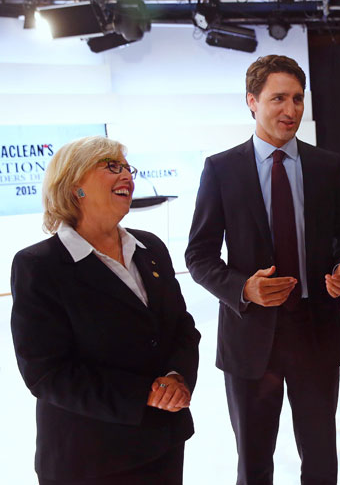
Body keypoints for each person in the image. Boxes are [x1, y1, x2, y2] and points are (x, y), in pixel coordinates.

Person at [185, 54, 340, 485]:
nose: (291, 110)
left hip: (315, 332)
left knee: (321, 458)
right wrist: (243, 288)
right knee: (254, 462)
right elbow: (199, 255)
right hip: (251, 338)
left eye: (298, 99)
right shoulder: (221, 169)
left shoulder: (327, 166)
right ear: (252, 101)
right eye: (278, 98)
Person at [10, 136, 201, 485]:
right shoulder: (38, 265)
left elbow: (182, 328)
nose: (127, 175)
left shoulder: (151, 248)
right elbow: (45, 373)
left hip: (163, 444)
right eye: (111, 166)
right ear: (74, 187)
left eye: (128, 168)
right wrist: (143, 394)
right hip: (89, 460)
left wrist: (177, 377)